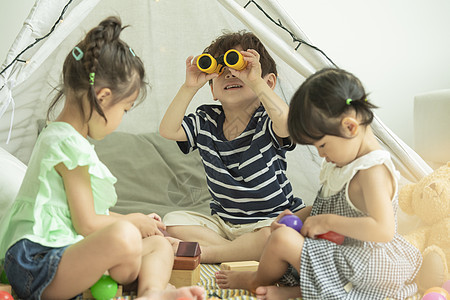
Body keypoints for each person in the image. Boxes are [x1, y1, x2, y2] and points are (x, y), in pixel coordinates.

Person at [0, 17, 205, 300]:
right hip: (37, 264)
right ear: (104, 97)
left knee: (158, 244)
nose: (121, 119)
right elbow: (86, 223)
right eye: (125, 109)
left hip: (66, 251)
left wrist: (139, 222)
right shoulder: (65, 143)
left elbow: (80, 216)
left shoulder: (66, 138)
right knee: (126, 236)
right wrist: (132, 222)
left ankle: (152, 293)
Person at [215, 68, 422, 299]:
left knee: (283, 240)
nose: (321, 154)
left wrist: (327, 221)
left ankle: (257, 281)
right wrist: (298, 216)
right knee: (276, 235)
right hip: (339, 253)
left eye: (322, 145)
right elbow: (330, 206)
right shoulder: (345, 161)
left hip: (365, 265)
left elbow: (383, 230)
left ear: (350, 127)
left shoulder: (371, 171)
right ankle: (301, 291)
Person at [159, 31, 306, 263]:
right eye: (221, 72)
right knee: (173, 220)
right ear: (212, 90)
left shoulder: (267, 119)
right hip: (224, 224)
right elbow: (168, 130)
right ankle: (239, 250)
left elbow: (288, 125)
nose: (230, 75)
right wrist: (189, 87)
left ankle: (221, 252)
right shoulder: (206, 119)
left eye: (240, 69)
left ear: (268, 82)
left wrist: (255, 81)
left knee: (280, 233)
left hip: (270, 220)